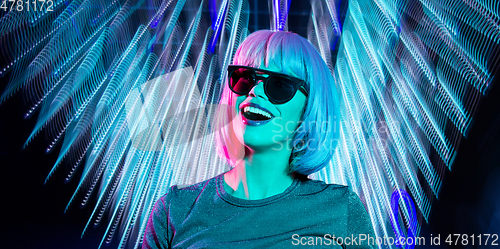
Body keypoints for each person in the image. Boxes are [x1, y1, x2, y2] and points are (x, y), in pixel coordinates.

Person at [142, 30, 376, 248]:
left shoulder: (341, 210)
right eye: (245, 77)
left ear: (309, 108)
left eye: (280, 85)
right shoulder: (175, 210)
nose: (256, 91)